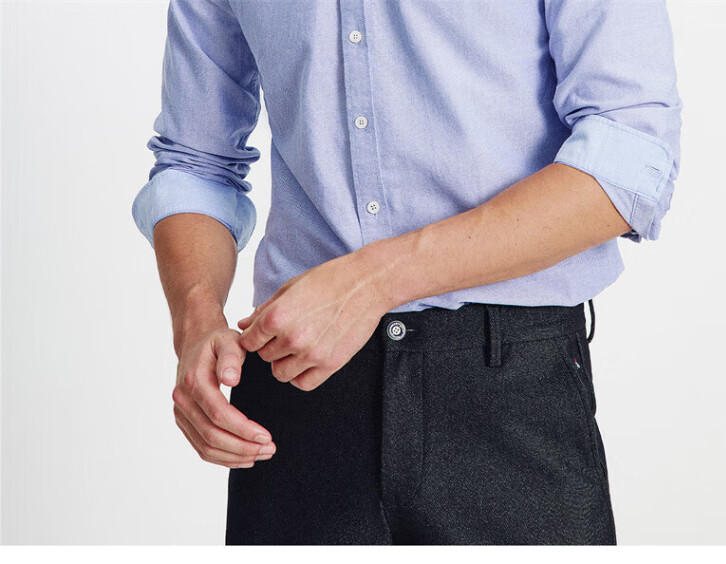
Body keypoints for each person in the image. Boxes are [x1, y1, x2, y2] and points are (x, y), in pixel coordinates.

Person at [131, 0, 681, 546]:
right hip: (298, 385)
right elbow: (194, 161)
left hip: (508, 389)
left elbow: (629, 161)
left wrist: (374, 281)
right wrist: (197, 321)